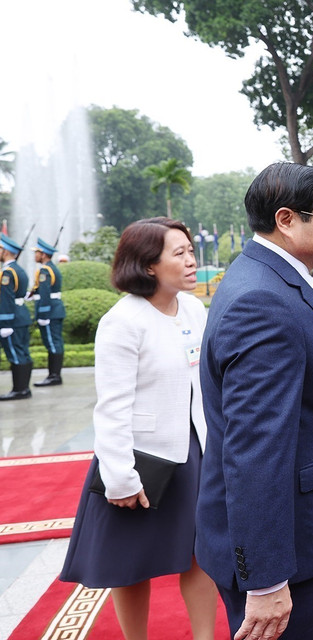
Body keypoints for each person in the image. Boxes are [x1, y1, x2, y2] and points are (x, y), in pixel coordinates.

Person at [196, 162, 313, 640]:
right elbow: (256, 448)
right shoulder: (263, 301)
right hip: (284, 550)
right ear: (288, 219)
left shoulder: (272, 277)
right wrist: (268, 577)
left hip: (303, 533)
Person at [59, 217, 218, 640]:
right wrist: (120, 478)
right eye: (179, 253)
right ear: (149, 265)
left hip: (195, 452)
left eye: (190, 251)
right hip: (142, 459)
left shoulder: (194, 308)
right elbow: (112, 409)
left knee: (202, 553)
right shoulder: (122, 321)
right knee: (130, 563)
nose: (191, 261)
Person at [0, 233, 34, 401]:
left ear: (4, 251)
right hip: (21, 316)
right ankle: (24, 388)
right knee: (22, 352)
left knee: (15, 353)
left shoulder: (7, 273)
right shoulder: (19, 270)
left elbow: (6, 299)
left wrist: (4, 323)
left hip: (11, 318)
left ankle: (19, 390)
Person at [31, 237, 66, 387]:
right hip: (54, 309)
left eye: (37, 253)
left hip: (50, 311)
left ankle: (54, 376)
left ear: (43, 254)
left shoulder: (45, 270)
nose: (35, 255)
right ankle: (54, 375)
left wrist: (43, 314)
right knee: (54, 342)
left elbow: (45, 293)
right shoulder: (51, 268)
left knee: (53, 343)